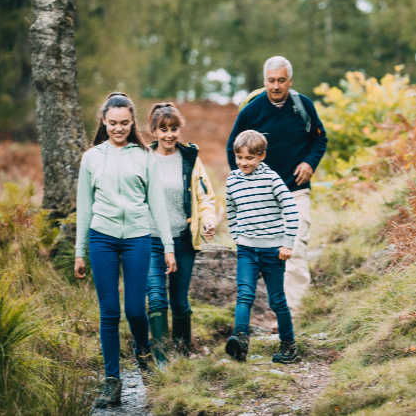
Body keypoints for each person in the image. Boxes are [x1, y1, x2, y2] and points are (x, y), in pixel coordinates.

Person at [74, 92, 175, 409]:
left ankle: (143, 353)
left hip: (137, 237)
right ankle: (112, 382)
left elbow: (157, 205)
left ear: (132, 124)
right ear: (104, 121)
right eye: (113, 123)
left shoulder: (144, 157)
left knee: (134, 309)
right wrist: (79, 251)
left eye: (125, 123)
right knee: (109, 313)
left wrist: (169, 247)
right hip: (101, 238)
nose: (118, 128)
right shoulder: (92, 158)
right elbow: (84, 207)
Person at [226, 56, 327, 313]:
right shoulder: (252, 110)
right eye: (271, 80)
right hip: (263, 194)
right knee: (268, 252)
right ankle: (273, 310)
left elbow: (320, 139)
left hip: (296, 190)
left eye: (281, 80)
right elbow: (232, 148)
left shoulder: (302, 105)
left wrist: (309, 163)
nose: (276, 86)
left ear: (290, 81)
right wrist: (243, 184)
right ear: (264, 81)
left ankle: (296, 315)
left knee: (295, 246)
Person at [145, 102, 217, 365]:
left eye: (173, 128)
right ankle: (163, 362)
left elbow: (205, 196)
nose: (169, 135)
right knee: (155, 298)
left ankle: (184, 353)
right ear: (153, 131)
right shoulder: (143, 159)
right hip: (150, 240)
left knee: (179, 301)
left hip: (182, 240)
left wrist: (208, 220)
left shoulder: (190, 159)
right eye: (162, 129)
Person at [224, 130, 300, 363]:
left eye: (249, 158)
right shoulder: (232, 181)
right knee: (244, 295)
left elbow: (291, 209)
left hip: (272, 250)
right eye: (239, 158)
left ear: (261, 156)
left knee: (276, 300)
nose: (243, 163)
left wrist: (287, 243)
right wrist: (237, 235)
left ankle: (289, 345)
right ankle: (240, 340)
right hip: (246, 249)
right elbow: (231, 210)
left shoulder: (272, 179)